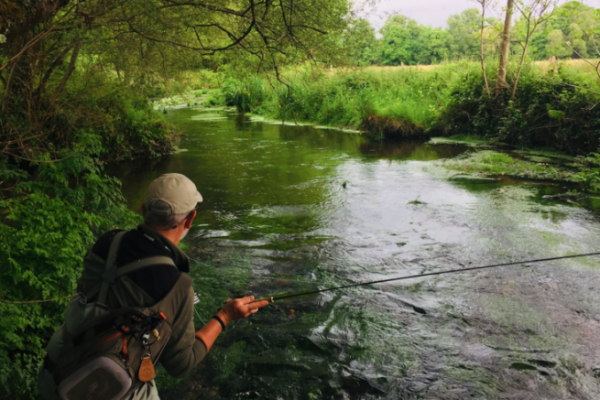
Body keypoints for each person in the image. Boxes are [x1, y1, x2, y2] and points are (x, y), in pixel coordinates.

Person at [38, 173, 269, 400]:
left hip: (56, 371)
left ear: (142, 210)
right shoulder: (177, 284)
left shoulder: (108, 241)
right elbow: (181, 364)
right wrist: (225, 316)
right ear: (190, 219)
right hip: (102, 388)